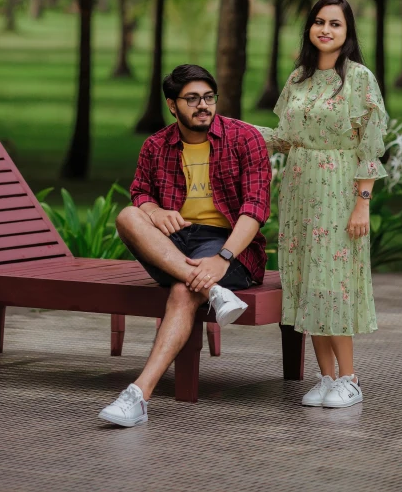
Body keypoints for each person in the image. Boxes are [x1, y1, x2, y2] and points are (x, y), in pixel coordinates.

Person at [99, 64, 272, 427]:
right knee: (129, 216)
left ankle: (138, 395)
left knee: (182, 292)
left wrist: (223, 259)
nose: (203, 106)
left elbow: (255, 209)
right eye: (192, 99)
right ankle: (213, 291)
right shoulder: (156, 145)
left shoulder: (245, 139)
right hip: (174, 244)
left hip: (230, 244)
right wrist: (154, 210)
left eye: (208, 97)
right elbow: (140, 192)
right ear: (172, 105)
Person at [257, 0, 387, 409]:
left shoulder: (360, 79)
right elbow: (285, 137)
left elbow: (370, 147)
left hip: (338, 192)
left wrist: (362, 202)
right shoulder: (298, 78)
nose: (325, 30)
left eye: (335, 23)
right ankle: (326, 378)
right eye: (319, 21)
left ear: (347, 33)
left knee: (333, 284)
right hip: (298, 194)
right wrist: (237, 129)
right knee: (306, 282)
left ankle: (349, 379)